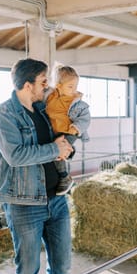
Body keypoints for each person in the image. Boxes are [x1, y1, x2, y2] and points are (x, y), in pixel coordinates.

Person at [0, 58, 74, 274]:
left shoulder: (43, 111)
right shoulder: (6, 114)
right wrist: (53, 149)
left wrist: (67, 146)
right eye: (43, 82)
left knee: (63, 268)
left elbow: (57, 142)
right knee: (27, 273)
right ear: (27, 85)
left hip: (56, 199)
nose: (47, 87)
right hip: (24, 203)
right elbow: (15, 156)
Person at [45, 65, 90, 195]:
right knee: (53, 151)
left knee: (58, 154)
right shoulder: (50, 96)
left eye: (75, 86)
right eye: (70, 87)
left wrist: (77, 127)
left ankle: (64, 177)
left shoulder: (76, 102)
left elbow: (85, 118)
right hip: (53, 132)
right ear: (58, 86)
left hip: (69, 131)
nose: (74, 90)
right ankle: (69, 152)